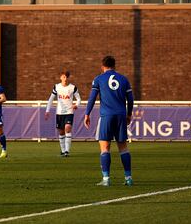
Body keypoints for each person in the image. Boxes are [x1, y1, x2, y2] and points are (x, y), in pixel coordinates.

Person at [83, 55, 134, 186]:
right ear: (114, 66)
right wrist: (129, 114)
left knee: (105, 147)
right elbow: (130, 99)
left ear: (102, 66)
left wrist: (87, 114)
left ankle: (106, 179)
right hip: (121, 115)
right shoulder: (124, 79)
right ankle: (128, 178)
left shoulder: (99, 79)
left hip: (107, 116)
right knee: (123, 147)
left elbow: (92, 98)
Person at [44, 70, 81, 156]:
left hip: (69, 112)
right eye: (63, 77)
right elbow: (51, 99)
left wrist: (76, 105)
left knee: (68, 128)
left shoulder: (72, 87)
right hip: (59, 113)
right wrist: (47, 111)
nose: (65, 79)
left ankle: (67, 151)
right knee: (61, 132)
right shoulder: (57, 87)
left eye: (66, 77)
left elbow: (78, 99)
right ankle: (63, 150)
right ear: (61, 77)